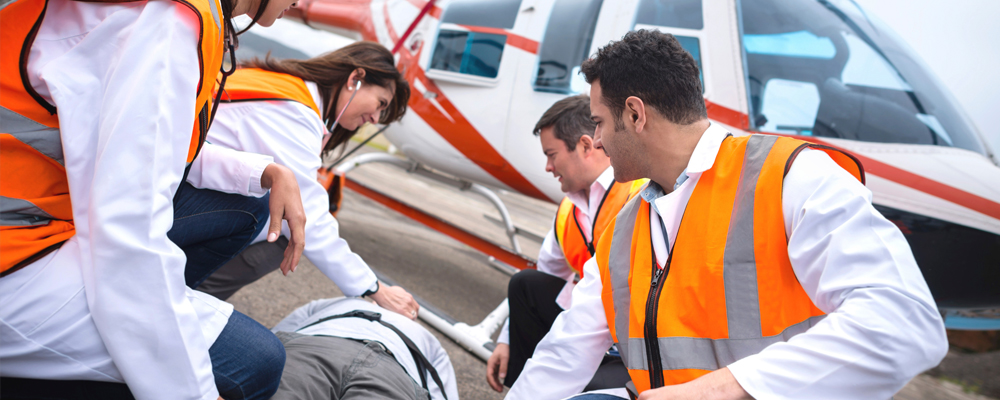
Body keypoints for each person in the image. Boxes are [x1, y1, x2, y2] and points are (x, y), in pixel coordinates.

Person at [506, 30, 948, 400]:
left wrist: (719, 389)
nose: (596, 140)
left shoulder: (791, 176)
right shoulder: (626, 228)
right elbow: (566, 348)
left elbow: (905, 325)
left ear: (635, 114)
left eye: (599, 122)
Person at [0, 0, 301, 398]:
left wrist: (265, 171)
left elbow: (132, 138)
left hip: (32, 220)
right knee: (256, 361)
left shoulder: (182, 10)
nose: (301, 4)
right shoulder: (169, 21)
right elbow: (127, 230)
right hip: (15, 254)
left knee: (250, 205)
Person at [190, 41, 420, 318]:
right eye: (380, 104)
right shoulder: (294, 112)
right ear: (355, 78)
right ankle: (190, 299)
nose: (375, 117)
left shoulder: (288, 87)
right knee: (288, 229)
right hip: (177, 194)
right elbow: (308, 215)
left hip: (177, 181)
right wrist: (374, 288)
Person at [485, 95, 642, 393]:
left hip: (629, 344)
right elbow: (549, 271)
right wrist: (507, 341)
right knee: (526, 286)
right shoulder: (569, 211)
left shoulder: (637, 196)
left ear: (585, 146)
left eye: (551, 154)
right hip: (596, 320)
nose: (547, 167)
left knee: (588, 387)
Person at [270, 297, 459, 400]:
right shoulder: (427, 338)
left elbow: (269, 344)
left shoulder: (338, 302)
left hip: (317, 346)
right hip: (394, 370)